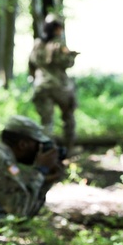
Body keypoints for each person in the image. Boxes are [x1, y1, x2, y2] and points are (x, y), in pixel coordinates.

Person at [28, 14, 79, 149]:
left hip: (41, 86)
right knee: (68, 118)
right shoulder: (59, 44)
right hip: (59, 87)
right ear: (56, 29)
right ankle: (68, 148)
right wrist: (71, 55)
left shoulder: (37, 44)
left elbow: (31, 64)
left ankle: (47, 150)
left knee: (46, 123)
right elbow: (67, 63)